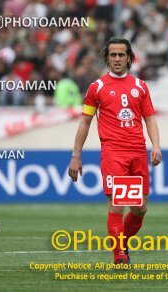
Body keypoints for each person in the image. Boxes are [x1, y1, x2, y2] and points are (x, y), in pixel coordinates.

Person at [68, 37, 162, 264]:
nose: (117, 59)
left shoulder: (140, 86)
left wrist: (156, 146)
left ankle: (121, 242)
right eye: (113, 55)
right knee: (117, 205)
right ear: (107, 58)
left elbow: (149, 118)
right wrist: (76, 155)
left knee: (140, 209)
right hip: (113, 153)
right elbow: (85, 122)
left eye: (121, 55)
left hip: (138, 152)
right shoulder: (97, 87)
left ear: (129, 58)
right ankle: (119, 254)